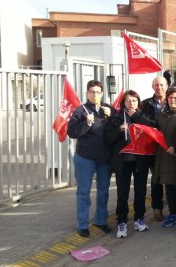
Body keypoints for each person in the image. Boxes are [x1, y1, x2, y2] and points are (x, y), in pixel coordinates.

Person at [104, 90, 155, 238]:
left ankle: (139, 219)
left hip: (140, 160)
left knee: (140, 192)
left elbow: (153, 127)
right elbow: (108, 139)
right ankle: (122, 221)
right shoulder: (116, 118)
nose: (131, 103)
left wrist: (137, 117)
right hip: (123, 161)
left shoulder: (144, 115)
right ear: (123, 103)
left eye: (133, 100)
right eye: (128, 101)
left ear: (138, 102)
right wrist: (120, 130)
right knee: (123, 193)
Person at [67, 80, 114, 238]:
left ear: (102, 93)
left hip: (104, 158)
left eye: (97, 92)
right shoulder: (81, 110)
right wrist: (86, 124)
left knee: (103, 191)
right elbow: (72, 132)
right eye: (91, 92)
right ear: (87, 93)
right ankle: (82, 224)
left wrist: (112, 116)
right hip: (85, 157)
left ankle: (100, 220)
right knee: (83, 192)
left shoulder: (108, 109)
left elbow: (119, 128)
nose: (95, 95)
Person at [155, 88, 176, 228]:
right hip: (163, 157)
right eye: (170, 98)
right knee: (168, 187)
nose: (173, 100)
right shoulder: (161, 116)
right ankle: (172, 214)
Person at [141, 76, 168, 222]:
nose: (159, 88)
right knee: (156, 179)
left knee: (171, 178)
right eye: (156, 85)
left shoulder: (174, 101)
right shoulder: (145, 104)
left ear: (167, 86)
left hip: (170, 146)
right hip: (153, 146)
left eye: (162, 85)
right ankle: (157, 209)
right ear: (153, 87)